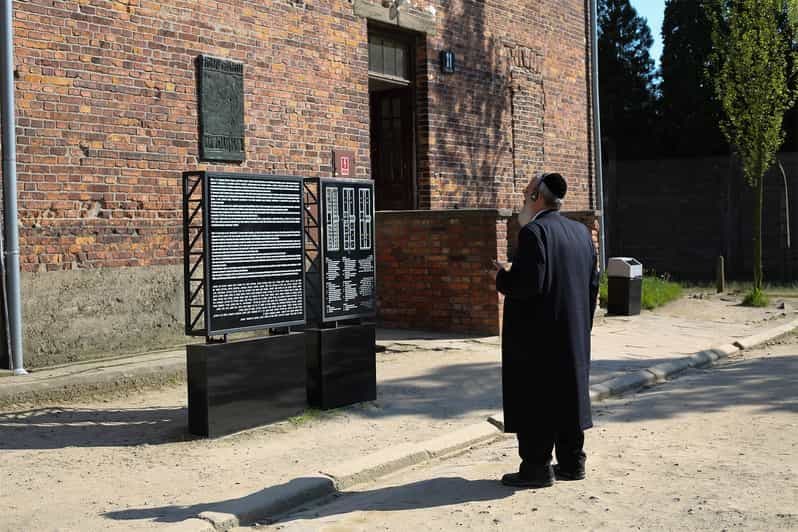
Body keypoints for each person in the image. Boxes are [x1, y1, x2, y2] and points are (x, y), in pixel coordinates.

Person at [492, 172, 600, 489]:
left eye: (526, 193)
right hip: (573, 329)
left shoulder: (534, 232)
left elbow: (529, 285)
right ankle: (571, 462)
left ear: (537, 197)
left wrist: (503, 276)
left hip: (537, 335)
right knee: (568, 395)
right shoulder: (581, 232)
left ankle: (536, 467)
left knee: (535, 398)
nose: (523, 200)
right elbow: (593, 283)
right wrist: (584, 323)